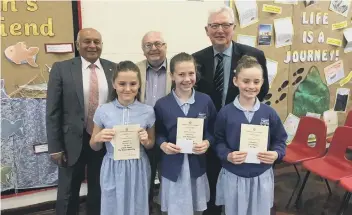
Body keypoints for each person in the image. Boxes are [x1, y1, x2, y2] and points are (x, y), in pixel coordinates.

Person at [192, 6, 269, 214]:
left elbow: (262, 90)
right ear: (206, 30)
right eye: (214, 25)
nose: (220, 30)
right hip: (207, 135)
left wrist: (239, 116)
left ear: (233, 28)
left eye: (225, 25)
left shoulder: (254, 55)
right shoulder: (196, 59)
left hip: (241, 134)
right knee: (212, 187)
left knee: (239, 189)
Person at [46, 28, 115, 215]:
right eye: (87, 41)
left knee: (99, 188)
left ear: (101, 45)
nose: (92, 45)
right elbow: (53, 111)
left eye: (96, 41)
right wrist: (55, 147)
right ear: (78, 45)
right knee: (68, 192)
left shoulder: (114, 68)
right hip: (71, 142)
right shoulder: (62, 69)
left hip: (103, 140)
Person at [214, 55, 287, 215]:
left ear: (262, 82)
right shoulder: (225, 113)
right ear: (235, 81)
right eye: (245, 81)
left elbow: (280, 140)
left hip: (261, 175)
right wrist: (228, 155)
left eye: (256, 81)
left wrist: (276, 153)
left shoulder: (269, 113)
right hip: (234, 175)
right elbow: (218, 142)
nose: (251, 86)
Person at [154, 52, 217, 215]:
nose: (187, 79)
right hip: (172, 166)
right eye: (181, 74)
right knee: (173, 208)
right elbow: (158, 133)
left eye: (191, 73)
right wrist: (163, 145)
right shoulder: (162, 104)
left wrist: (207, 142)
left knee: (197, 207)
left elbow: (213, 131)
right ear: (172, 76)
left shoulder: (205, 101)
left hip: (197, 165)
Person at [89, 61, 155, 215]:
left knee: (137, 205)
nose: (127, 88)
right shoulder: (103, 110)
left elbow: (151, 144)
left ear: (139, 84)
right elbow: (93, 145)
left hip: (138, 166)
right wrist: (98, 138)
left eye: (133, 84)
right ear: (114, 84)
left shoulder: (148, 111)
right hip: (112, 166)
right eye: (122, 83)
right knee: (112, 206)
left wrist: (146, 141)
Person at [136, 30, 172, 210]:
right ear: (143, 50)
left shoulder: (178, 70)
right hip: (144, 136)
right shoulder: (136, 69)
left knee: (170, 180)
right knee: (145, 181)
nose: (153, 49)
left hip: (170, 135)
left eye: (158, 44)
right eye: (148, 45)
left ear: (166, 47)